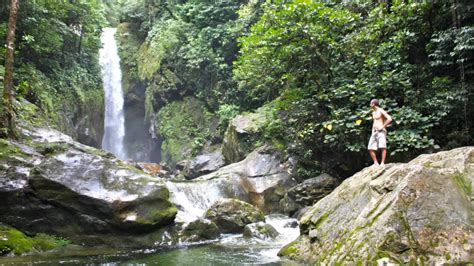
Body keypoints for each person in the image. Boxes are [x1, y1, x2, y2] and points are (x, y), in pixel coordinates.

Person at [368, 99, 392, 166]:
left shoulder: (380, 111)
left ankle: (382, 163)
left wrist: (383, 126)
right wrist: (372, 130)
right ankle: (375, 162)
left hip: (381, 131)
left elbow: (389, 119)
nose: (370, 105)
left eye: (370, 103)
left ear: (373, 104)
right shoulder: (373, 112)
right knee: (370, 147)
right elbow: (374, 122)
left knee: (383, 147)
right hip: (374, 131)